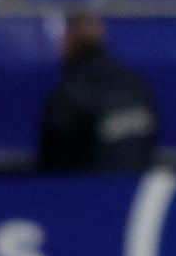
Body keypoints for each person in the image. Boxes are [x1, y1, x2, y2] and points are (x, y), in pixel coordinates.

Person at [36, 12, 159, 172]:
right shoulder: (136, 82)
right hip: (139, 184)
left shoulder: (69, 93)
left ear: (68, 41)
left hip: (90, 188)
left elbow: (54, 162)